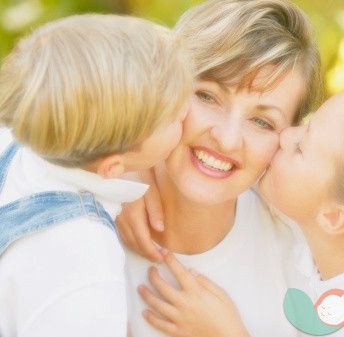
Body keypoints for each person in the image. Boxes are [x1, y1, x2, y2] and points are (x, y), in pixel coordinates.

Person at [0, 13, 193, 337]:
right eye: (174, 116)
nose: (187, 112)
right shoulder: (83, 261)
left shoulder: (2, 148)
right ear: (111, 167)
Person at [137, 81, 344, 336]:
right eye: (307, 123)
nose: (286, 135)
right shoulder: (312, 229)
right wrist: (134, 173)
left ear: (333, 217)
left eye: (301, 147)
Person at [115, 0, 322, 336]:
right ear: (164, 83)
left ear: (285, 140)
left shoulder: (303, 254)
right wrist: (121, 173)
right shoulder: (80, 214)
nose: (227, 139)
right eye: (208, 97)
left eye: (261, 121)